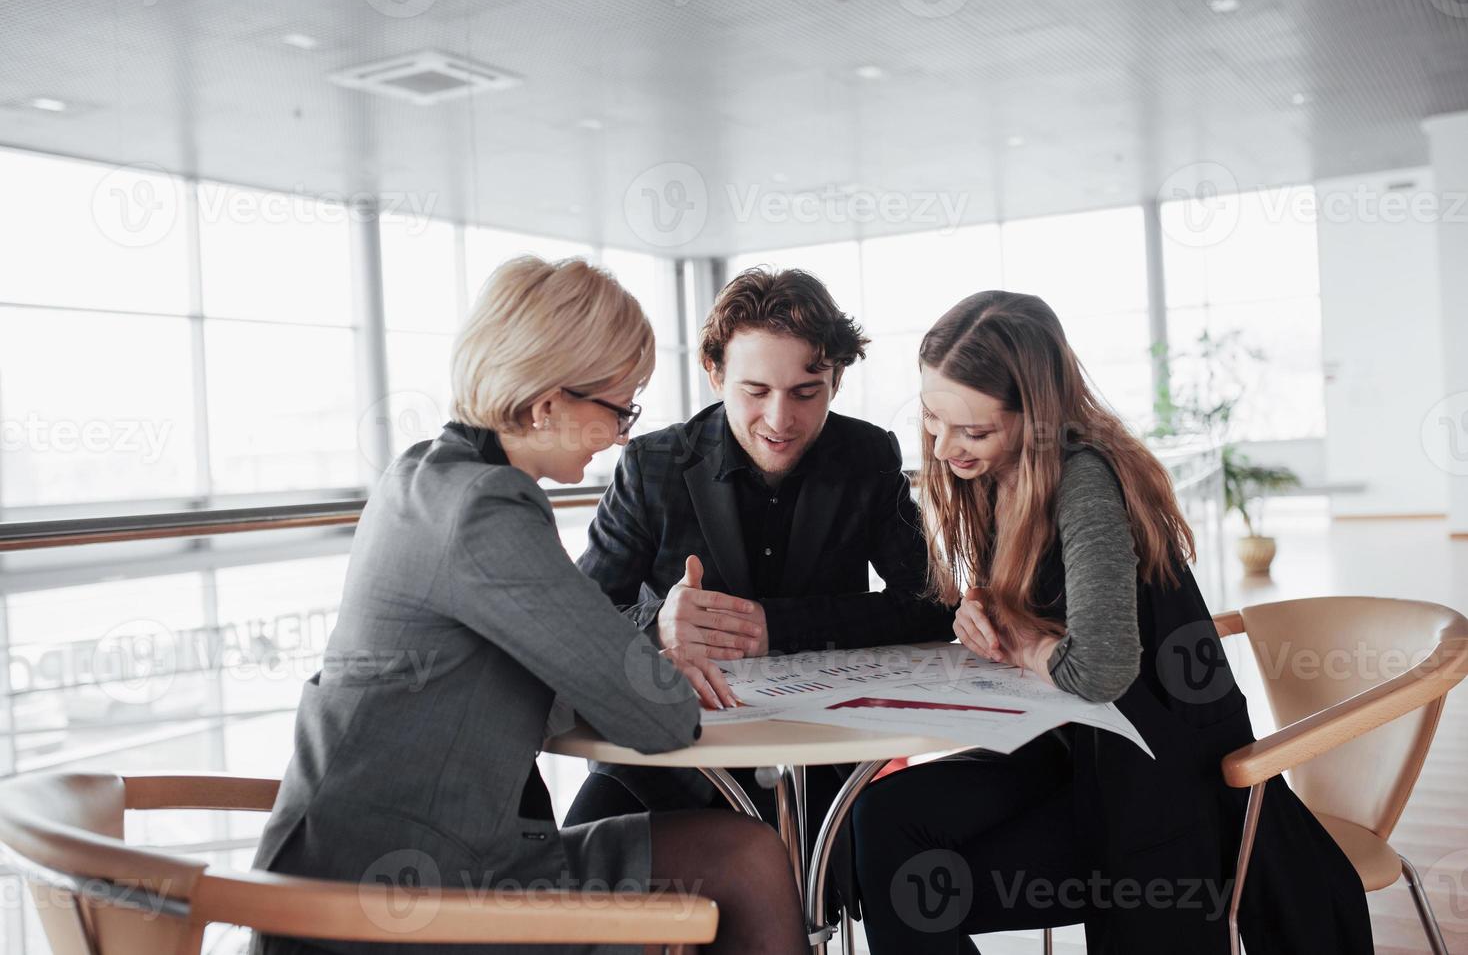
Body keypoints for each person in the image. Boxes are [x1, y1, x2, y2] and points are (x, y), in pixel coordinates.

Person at [251, 256, 806, 955]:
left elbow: (551, 667)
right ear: (548, 404)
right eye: (618, 408)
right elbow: (659, 716)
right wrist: (650, 659)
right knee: (749, 861)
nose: (623, 435)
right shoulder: (489, 509)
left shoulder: (424, 475)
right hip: (409, 904)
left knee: (735, 856)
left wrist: (635, 655)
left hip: (335, 875)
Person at [850, 290, 1372, 954]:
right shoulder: (994, 475)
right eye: (931, 417)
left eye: (973, 430)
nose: (944, 445)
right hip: (1070, 753)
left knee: (908, 875)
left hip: (1154, 790)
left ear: (1035, 417)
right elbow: (1034, 603)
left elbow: (1097, 667)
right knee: (883, 818)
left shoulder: (1085, 481)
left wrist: (1022, 639)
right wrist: (980, 608)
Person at [565, 266, 953, 843]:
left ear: (836, 380)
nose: (780, 420)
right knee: (572, 880)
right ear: (715, 373)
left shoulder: (866, 455)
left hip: (820, 761)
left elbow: (932, 605)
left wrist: (778, 627)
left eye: (805, 393)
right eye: (756, 392)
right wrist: (657, 629)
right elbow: (575, 626)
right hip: (668, 762)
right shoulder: (651, 466)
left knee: (866, 862)